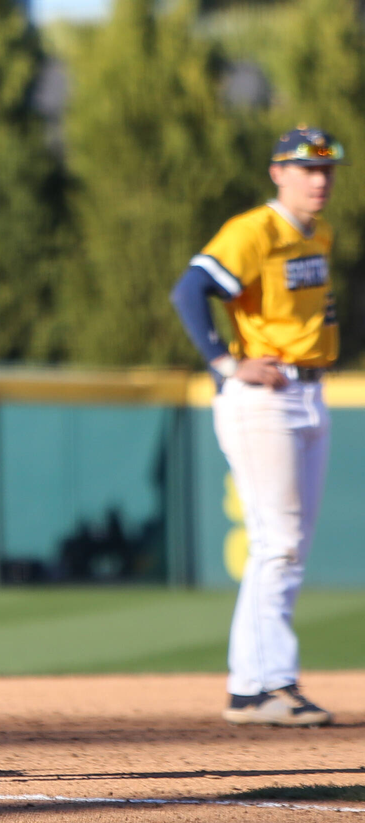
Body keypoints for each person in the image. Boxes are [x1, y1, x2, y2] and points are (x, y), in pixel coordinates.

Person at [170, 125, 342, 727]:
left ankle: (258, 684)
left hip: (309, 392)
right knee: (278, 543)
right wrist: (224, 361)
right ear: (277, 172)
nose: (318, 180)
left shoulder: (315, 232)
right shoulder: (254, 231)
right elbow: (189, 290)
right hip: (261, 398)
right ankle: (261, 686)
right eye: (305, 168)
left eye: (326, 169)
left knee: (290, 547)